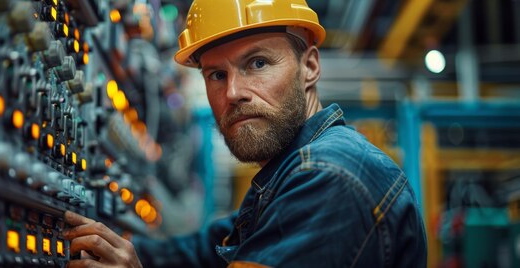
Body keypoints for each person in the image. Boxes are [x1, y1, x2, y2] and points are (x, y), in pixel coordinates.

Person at [62, 0, 428, 267]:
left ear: (310, 67)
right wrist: (119, 248)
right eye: (216, 75)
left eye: (258, 63)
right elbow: (205, 250)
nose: (233, 92)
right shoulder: (284, 179)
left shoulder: (331, 176)